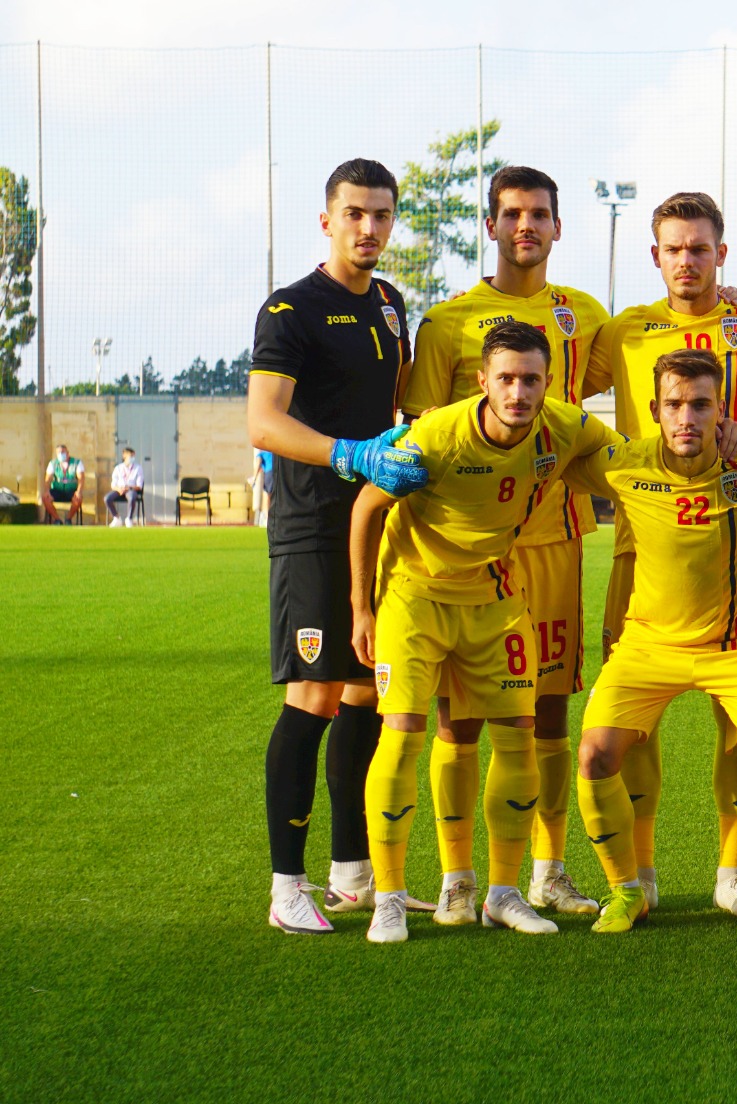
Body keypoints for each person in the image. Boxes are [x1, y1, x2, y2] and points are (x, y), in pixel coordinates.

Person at [350, 321, 622, 943]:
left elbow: (623, 457)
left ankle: (501, 892)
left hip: (495, 598)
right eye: (506, 378)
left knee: (519, 734)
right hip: (415, 597)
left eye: (531, 379)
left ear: (548, 383)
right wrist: (361, 609)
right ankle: (392, 896)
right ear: (482, 382)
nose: (519, 392)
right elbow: (367, 507)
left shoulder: (564, 426)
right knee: (403, 734)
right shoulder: (437, 437)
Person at [401, 166, 609, 917]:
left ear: (558, 227)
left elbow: (647, 372)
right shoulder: (449, 322)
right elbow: (416, 438)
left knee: (549, 708)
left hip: (554, 536)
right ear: (489, 225)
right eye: (513, 213)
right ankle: (459, 879)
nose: (527, 226)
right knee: (461, 716)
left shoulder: (584, 316)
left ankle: (547, 871)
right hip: (468, 550)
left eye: (541, 214)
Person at [584, 191, 737, 914]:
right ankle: (636, 880)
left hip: (733, 547)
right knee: (630, 733)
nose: (687, 261)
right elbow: (545, 382)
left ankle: (735, 877)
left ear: (721, 254)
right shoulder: (624, 330)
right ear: (655, 256)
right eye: (674, 248)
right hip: (638, 557)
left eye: (700, 248)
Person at [247, 157, 431, 935]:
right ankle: (286, 888)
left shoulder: (390, 303)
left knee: (367, 691)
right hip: (313, 526)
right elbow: (264, 421)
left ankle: (354, 872)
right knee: (315, 696)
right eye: (355, 213)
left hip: (379, 524)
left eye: (382, 215)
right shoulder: (290, 309)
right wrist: (347, 454)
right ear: (326, 219)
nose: (369, 228)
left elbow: (393, 399)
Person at [565, 350, 737, 934]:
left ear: (722, 410)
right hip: (647, 647)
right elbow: (550, 441)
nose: (686, 417)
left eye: (701, 404)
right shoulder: (623, 465)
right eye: (674, 405)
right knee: (594, 754)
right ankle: (627, 890)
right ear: (655, 410)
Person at [39, 444, 84, 524]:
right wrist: (47, 491)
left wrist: (79, 491)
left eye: (63, 452)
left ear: (67, 453)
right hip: (57, 490)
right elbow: (48, 479)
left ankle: (68, 519)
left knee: (78, 499)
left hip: (71, 490)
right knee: (45, 498)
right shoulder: (53, 463)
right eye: (59, 453)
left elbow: (81, 479)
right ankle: (57, 519)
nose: (61, 454)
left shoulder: (77, 463)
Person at [105, 447, 143, 527]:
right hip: (119, 490)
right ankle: (116, 518)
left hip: (130, 489)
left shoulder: (138, 468)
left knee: (132, 497)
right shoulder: (118, 468)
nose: (132, 458)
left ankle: (129, 519)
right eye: (130, 456)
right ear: (124, 456)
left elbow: (139, 486)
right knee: (107, 498)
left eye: (133, 456)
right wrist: (119, 489)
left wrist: (129, 488)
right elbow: (113, 484)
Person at [251, 448, 274, 527]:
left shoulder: (262, 454)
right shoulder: (272, 452)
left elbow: (258, 465)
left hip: (269, 473)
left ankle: (267, 517)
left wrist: (254, 479)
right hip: (276, 472)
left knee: (267, 495)